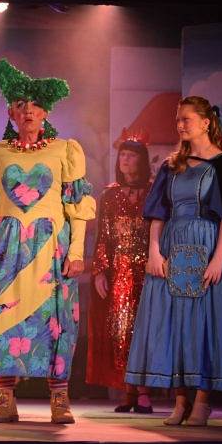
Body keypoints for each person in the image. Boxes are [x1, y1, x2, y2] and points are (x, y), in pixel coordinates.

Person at [0, 59, 96, 424]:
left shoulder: (65, 150)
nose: (28, 110)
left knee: (54, 319)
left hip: (51, 248)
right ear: (11, 113)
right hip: (7, 248)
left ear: (45, 112)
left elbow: (77, 206)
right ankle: (6, 399)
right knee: (3, 316)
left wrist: (76, 252)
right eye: (20, 105)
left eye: (35, 105)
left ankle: (59, 399)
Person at [125, 96, 222, 426]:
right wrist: (155, 251)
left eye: (186, 118)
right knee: (175, 322)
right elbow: (158, 213)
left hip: (207, 245)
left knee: (204, 322)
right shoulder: (172, 165)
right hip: (174, 246)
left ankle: (202, 401)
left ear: (206, 122)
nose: (180, 124)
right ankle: (181, 401)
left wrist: (219, 259)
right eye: (178, 119)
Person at [86, 128, 154, 413]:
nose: (125, 159)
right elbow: (102, 236)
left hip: (149, 269)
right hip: (120, 272)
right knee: (121, 330)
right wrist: (100, 271)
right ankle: (128, 391)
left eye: (132, 155)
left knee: (145, 328)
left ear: (142, 160)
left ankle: (144, 391)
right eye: (122, 154)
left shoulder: (154, 190)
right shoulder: (110, 194)